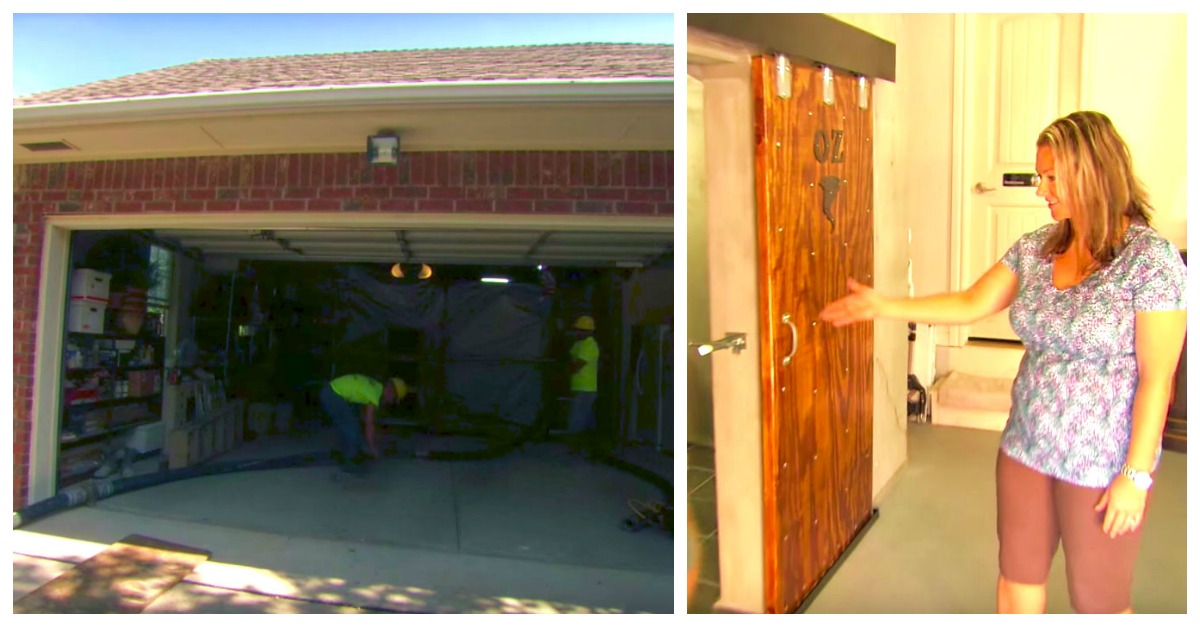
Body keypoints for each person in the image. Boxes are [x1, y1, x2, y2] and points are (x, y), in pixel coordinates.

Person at [818, 111, 1186, 614]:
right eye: (1040, 176)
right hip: (1025, 445)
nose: (1041, 190)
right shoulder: (1038, 247)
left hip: (1100, 461)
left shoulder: (1151, 262)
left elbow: (1157, 379)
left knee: (1099, 602)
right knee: (1018, 578)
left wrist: (1136, 476)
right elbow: (971, 302)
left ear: (1094, 172)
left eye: (1053, 177)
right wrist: (886, 306)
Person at [319, 374, 407, 475]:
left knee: (350, 425)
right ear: (391, 392)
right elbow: (369, 424)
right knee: (352, 429)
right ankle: (350, 464)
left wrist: (375, 434)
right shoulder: (375, 394)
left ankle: (348, 454)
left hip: (331, 391)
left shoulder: (376, 386)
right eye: (394, 400)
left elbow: (364, 416)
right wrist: (373, 448)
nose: (391, 403)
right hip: (333, 395)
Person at [566, 315, 601, 451]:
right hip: (579, 387)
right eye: (577, 329)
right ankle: (590, 447)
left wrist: (569, 365)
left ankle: (577, 447)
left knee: (578, 418)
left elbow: (575, 365)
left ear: (590, 331)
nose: (578, 332)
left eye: (582, 330)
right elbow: (570, 359)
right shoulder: (578, 344)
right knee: (585, 417)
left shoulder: (590, 345)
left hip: (587, 388)